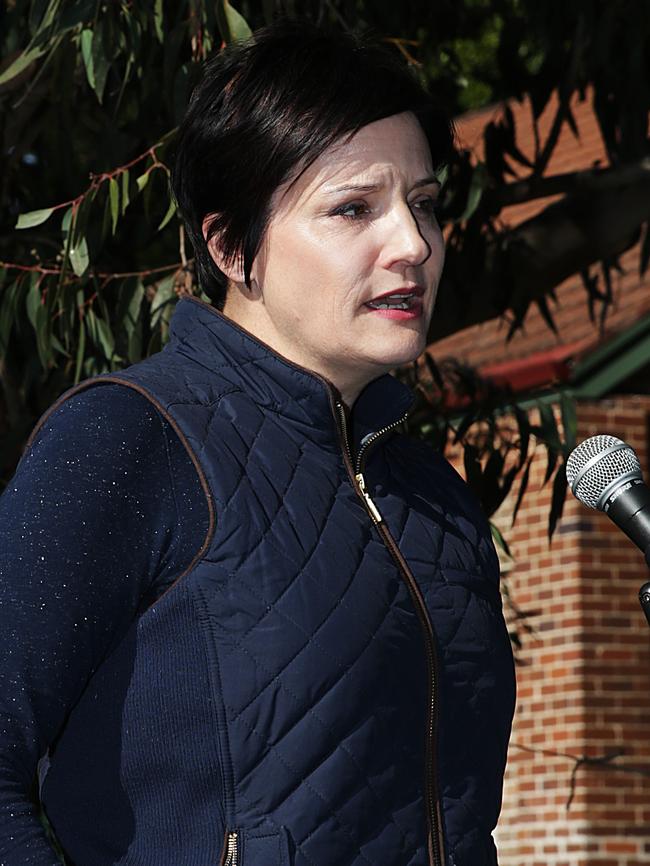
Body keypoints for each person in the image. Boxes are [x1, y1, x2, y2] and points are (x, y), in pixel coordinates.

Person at [0, 20, 515, 866]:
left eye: (424, 204)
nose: (414, 246)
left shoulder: (438, 502)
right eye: (354, 208)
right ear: (231, 246)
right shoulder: (130, 442)